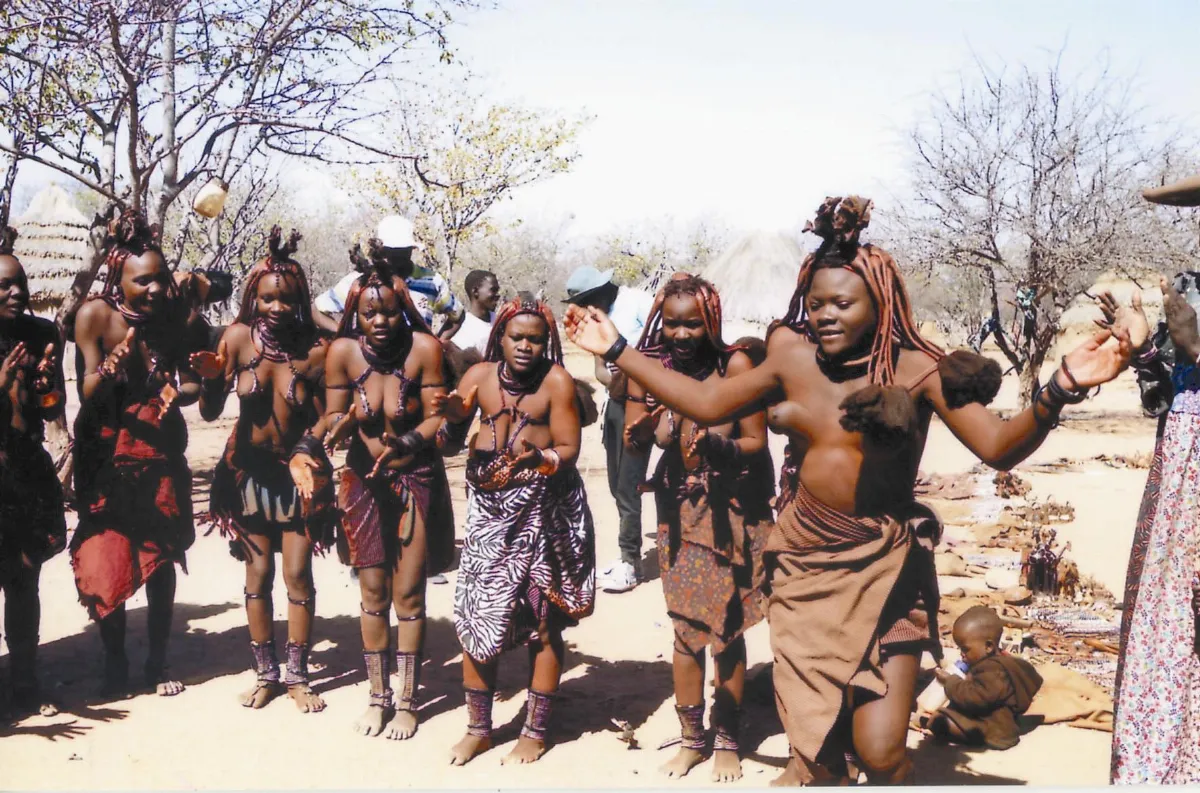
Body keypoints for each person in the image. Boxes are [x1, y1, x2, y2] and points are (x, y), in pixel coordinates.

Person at [564, 196, 1133, 785]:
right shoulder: (792, 360)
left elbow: (998, 446)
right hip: (807, 565)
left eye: (842, 302)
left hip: (888, 568)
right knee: (817, 746)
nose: (826, 314)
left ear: (878, 303)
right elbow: (707, 403)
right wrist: (616, 351)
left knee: (882, 752)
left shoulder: (918, 369)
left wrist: (1062, 385)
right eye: (816, 303)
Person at [291, 240, 454, 741]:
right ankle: (377, 698)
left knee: (408, 591)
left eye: (388, 311)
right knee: (372, 591)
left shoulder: (425, 350)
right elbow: (334, 412)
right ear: (355, 314)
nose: (380, 322)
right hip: (362, 481)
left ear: (404, 309)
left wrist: (408, 440)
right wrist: (312, 441)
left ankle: (407, 701)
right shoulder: (341, 352)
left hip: (414, 481)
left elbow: (437, 421)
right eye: (368, 312)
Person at [624, 274, 774, 782]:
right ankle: (692, 739)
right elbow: (636, 443)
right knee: (685, 630)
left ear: (711, 320)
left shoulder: (734, 365)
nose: (682, 334)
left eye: (693, 323)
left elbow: (756, 442)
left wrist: (718, 447)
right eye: (672, 323)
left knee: (726, 631)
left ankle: (728, 737)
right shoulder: (652, 369)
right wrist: (644, 432)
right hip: (676, 512)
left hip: (729, 513)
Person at [435, 296, 596, 766]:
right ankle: (479, 729)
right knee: (478, 616)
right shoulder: (479, 377)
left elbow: (567, 447)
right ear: (499, 338)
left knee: (543, 623)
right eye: (517, 337)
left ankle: (535, 730)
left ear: (547, 343)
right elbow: (446, 445)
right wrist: (451, 416)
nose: (526, 346)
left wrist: (539, 460)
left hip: (545, 513)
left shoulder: (557, 382)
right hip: (489, 515)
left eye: (536, 339)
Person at [192, 227, 336, 713]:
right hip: (246, 473)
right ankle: (265, 674)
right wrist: (213, 382)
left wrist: (306, 450)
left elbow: (327, 414)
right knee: (258, 574)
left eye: (286, 298)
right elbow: (212, 412)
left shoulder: (314, 348)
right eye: (268, 298)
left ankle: (297, 675)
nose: (276, 307)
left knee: (297, 574)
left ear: (299, 300)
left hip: (297, 472)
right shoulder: (234, 339)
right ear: (253, 297)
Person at [70, 211, 205, 697]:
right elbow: (86, 390)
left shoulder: (176, 319)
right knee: (109, 554)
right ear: (117, 278)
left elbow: (192, 379)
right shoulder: (93, 316)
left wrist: (179, 391)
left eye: (160, 279)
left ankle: (158, 660)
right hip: (104, 452)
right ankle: (114, 659)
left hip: (158, 448)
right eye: (141, 280)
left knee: (159, 554)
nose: (153, 289)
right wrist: (111, 366)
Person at [1109, 169, 1200, 785]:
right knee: (1177, 617)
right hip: (1183, 478)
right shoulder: (1191, 291)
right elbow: (1170, 394)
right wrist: (1147, 349)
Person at [0, 225, 67, 716]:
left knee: (25, 579)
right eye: (4, 285)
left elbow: (51, 407)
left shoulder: (43, 335)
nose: (16, 292)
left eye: (20, 282)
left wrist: (46, 386)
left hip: (26, 476)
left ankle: (25, 681)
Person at [563, 264, 653, 593]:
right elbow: (601, 369)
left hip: (642, 403)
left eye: (588, 299)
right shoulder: (596, 318)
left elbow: (659, 355)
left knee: (629, 484)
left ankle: (631, 562)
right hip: (615, 402)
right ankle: (626, 555)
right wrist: (616, 383)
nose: (587, 307)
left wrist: (636, 383)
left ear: (602, 291)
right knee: (616, 483)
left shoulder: (640, 304)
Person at [312, 215, 464, 339]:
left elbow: (457, 314)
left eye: (402, 250)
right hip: (368, 365)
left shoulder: (431, 281)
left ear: (411, 249)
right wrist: (345, 335)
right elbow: (317, 310)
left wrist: (437, 342)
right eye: (391, 250)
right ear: (381, 250)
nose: (397, 256)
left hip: (418, 365)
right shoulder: (362, 280)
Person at [927, 606, 1042, 750]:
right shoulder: (991, 662)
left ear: (988, 646)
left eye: (965, 649)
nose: (961, 654)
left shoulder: (993, 670)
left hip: (996, 731)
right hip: (989, 720)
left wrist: (950, 681)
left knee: (938, 722)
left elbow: (974, 698)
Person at [448, 270, 500, 356]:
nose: (498, 295)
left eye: (497, 290)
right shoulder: (464, 331)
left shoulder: (499, 321)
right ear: (475, 291)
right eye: (493, 290)